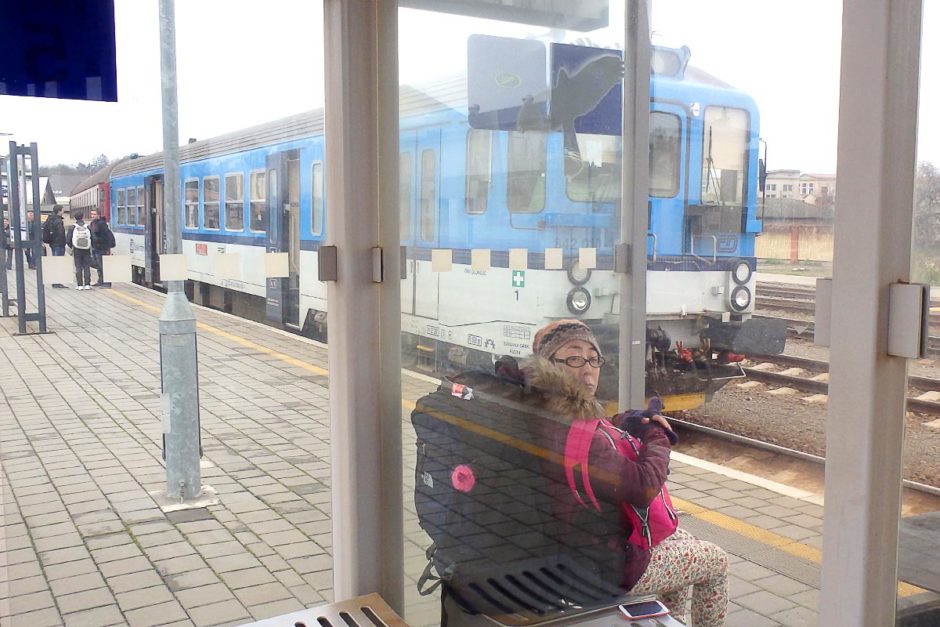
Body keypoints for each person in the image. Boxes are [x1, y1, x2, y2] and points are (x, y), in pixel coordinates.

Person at [524, 320, 730, 626]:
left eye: (594, 359)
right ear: (549, 363)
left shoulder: (550, 407)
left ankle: (670, 620)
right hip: (602, 566)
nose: (587, 369)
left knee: (679, 536)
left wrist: (628, 420)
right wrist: (656, 436)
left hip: (579, 541)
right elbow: (643, 487)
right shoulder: (567, 424)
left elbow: (598, 429)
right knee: (716, 561)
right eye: (573, 358)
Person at [66, 211, 93, 290]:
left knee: (78, 267)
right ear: (82, 217)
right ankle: (87, 284)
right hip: (86, 249)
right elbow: (93, 238)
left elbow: (68, 239)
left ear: (75, 218)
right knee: (87, 267)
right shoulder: (88, 227)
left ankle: (80, 285)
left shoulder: (72, 227)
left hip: (77, 249)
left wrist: (72, 247)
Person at [88, 209, 115, 287]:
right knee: (98, 265)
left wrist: (102, 244)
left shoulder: (102, 224)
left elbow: (105, 236)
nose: (92, 216)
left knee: (103, 265)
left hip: (102, 248)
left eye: (94, 214)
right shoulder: (92, 223)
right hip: (95, 247)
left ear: (98, 215)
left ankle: (107, 282)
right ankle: (100, 280)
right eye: (92, 214)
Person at [43, 205, 68, 287]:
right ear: (59, 211)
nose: (63, 211)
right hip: (59, 244)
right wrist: (64, 242)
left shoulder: (50, 219)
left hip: (52, 243)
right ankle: (56, 282)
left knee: (55, 261)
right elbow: (61, 233)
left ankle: (55, 281)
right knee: (58, 262)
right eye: (63, 210)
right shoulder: (58, 221)